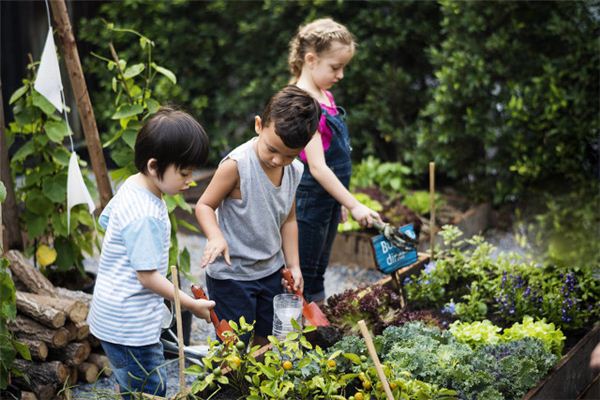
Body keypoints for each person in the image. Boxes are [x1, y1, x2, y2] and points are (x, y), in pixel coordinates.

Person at [87, 107, 215, 398]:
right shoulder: (145, 214)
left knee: (131, 382)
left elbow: (107, 221)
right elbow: (146, 277)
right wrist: (190, 304)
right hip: (129, 325)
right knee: (150, 387)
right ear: (155, 166)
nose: (190, 180)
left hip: (115, 314)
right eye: (183, 173)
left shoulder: (133, 185)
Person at [195, 85, 321, 346]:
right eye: (272, 149)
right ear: (259, 125)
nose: (277, 160)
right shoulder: (236, 166)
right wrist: (215, 236)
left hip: (270, 272)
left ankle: (261, 386)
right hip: (232, 276)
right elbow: (204, 205)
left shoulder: (295, 170)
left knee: (268, 339)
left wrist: (294, 265)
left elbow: (289, 219)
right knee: (234, 346)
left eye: (289, 155)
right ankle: (230, 385)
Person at [289, 18, 382, 304]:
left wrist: (339, 200)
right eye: (335, 67)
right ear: (311, 59)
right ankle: (297, 329)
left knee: (318, 268)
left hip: (327, 198)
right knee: (303, 271)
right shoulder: (303, 104)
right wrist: (354, 204)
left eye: (343, 67)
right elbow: (316, 167)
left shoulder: (324, 95)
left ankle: (316, 323)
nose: (340, 75)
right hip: (309, 200)